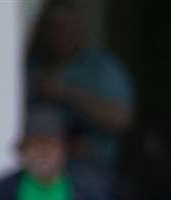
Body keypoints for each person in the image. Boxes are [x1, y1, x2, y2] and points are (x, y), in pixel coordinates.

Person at [25, 1, 134, 188]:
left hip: (93, 168)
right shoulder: (30, 69)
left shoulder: (101, 68)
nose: (60, 35)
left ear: (78, 31)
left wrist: (66, 94)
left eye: (67, 28)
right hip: (36, 172)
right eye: (55, 29)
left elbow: (122, 119)